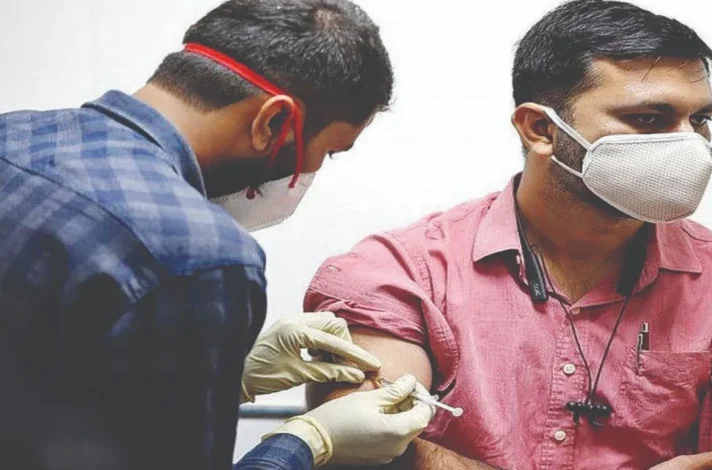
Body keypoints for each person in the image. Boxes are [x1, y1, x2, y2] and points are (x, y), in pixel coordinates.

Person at [303, 1, 712, 469]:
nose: (689, 145)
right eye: (649, 119)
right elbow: (368, 449)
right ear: (540, 129)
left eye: (699, 120)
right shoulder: (400, 274)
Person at [0, 1, 435, 469]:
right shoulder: (202, 255)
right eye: (330, 151)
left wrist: (232, 376)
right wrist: (309, 439)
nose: (314, 172)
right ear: (273, 121)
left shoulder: (12, 135)